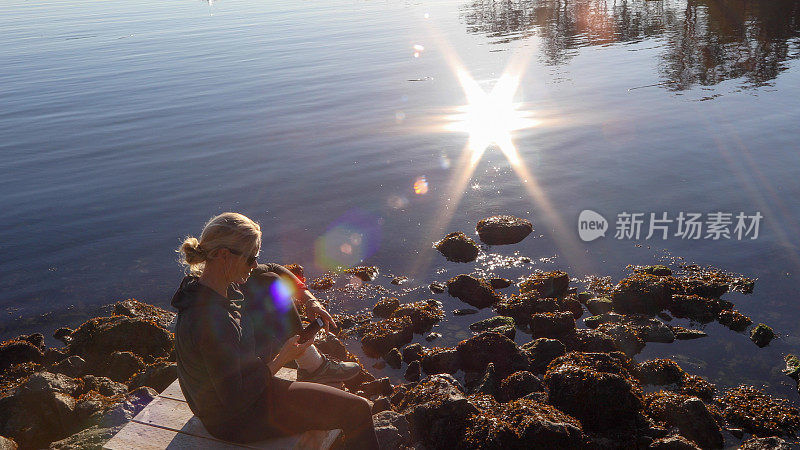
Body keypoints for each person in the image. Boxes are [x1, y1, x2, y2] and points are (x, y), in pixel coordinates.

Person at [171, 212, 379, 448]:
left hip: (230, 391)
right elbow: (235, 400)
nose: (255, 264)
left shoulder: (205, 286)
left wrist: (309, 300)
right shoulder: (212, 321)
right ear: (223, 255)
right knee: (357, 411)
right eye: (251, 258)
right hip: (236, 418)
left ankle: (313, 365)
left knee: (269, 281)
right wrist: (282, 358)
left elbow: (274, 270)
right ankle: (312, 365)